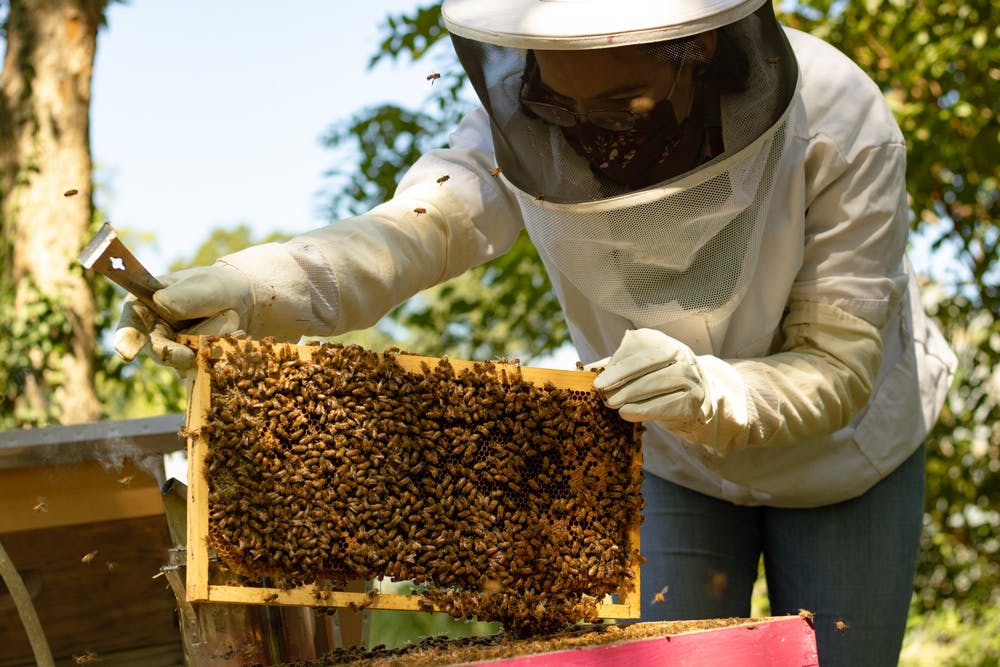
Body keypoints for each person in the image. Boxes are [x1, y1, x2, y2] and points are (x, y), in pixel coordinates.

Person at [114, 1, 956, 664]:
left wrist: (715, 386)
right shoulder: (522, 116)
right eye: (560, 98)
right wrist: (255, 287)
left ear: (695, 53)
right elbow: (419, 228)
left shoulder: (838, 115)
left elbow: (836, 363)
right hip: (663, 452)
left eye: (621, 101)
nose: (585, 130)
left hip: (847, 460)